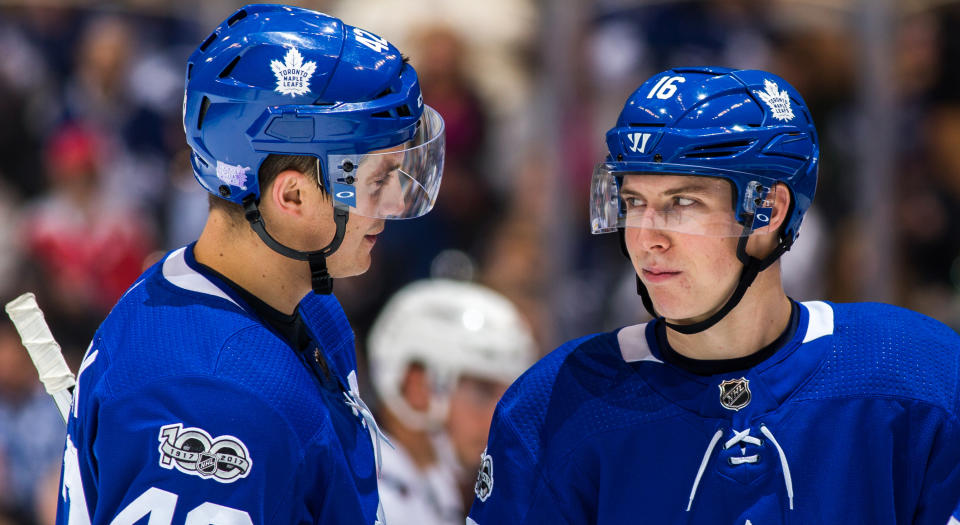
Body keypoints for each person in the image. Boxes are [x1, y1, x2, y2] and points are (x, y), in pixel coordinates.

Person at [467, 67, 960, 524]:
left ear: (768, 212)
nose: (647, 238)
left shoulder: (916, 375)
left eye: (682, 203)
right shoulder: (555, 403)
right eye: (635, 202)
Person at [55, 5, 445, 525]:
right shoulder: (210, 399)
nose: (395, 205)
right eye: (378, 180)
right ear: (292, 196)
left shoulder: (302, 302)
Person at [367, 280, 536, 524]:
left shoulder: (432, 484)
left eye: (508, 396)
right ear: (417, 387)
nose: (501, 418)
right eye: (483, 392)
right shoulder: (373, 503)